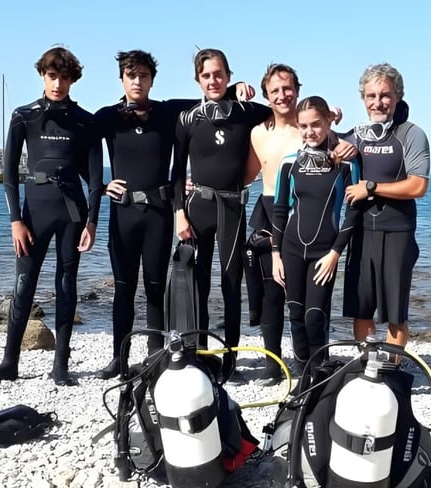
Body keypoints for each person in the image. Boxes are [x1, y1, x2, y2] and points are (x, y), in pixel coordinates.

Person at [94, 51, 253, 380]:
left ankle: (156, 354)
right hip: (123, 212)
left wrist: (237, 86)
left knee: (155, 288)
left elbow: (209, 94)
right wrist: (99, 185)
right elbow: (77, 147)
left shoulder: (168, 112)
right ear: (121, 79)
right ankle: (118, 358)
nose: (137, 82)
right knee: (123, 288)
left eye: (143, 76)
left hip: (159, 213)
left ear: (152, 79)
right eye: (131, 75)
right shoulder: (107, 116)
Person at [0, 46, 103, 386]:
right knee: (24, 284)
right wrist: (15, 221)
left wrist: (92, 222)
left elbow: (94, 180)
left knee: (66, 284)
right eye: (52, 76)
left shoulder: (85, 122)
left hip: (72, 213)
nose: (58, 83)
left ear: (73, 79)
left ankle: (60, 365)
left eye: (64, 77)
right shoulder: (23, 116)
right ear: (42, 76)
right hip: (34, 214)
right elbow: (8, 175)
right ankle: (9, 363)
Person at [244, 64, 354, 381]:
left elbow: (342, 147)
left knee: (313, 309)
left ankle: (318, 367)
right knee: (273, 295)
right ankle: (275, 363)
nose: (282, 95)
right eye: (274, 90)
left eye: (287, 88)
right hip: (274, 214)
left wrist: (348, 140)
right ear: (266, 95)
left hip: (308, 218)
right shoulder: (259, 129)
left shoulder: (315, 130)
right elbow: (248, 172)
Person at [172, 48, 272, 361]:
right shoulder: (188, 119)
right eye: (206, 76)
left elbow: (282, 112)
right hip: (197, 207)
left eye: (219, 75)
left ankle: (230, 356)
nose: (212, 80)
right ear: (197, 80)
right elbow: (176, 172)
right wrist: (178, 213)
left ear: (228, 75)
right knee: (198, 282)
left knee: (232, 282)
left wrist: (237, 87)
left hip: (232, 207)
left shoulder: (246, 111)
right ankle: (198, 352)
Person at [341, 63, 430, 348]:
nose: (378, 102)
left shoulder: (411, 134)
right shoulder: (356, 135)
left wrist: (371, 187)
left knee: (395, 310)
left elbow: (418, 186)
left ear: (397, 97)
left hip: (397, 232)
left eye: (385, 95)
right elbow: (317, 143)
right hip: (362, 230)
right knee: (361, 305)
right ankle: (366, 362)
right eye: (371, 96)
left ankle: (391, 366)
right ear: (363, 99)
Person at [270, 96, 361, 369]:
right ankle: (303, 377)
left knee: (314, 317)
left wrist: (336, 253)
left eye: (316, 124)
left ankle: (319, 375)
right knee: (296, 314)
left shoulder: (346, 164)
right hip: (291, 249)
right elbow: (279, 210)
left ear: (329, 122)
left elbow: (352, 213)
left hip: (325, 253)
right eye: (304, 126)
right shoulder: (288, 163)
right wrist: (276, 255)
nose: (310, 131)